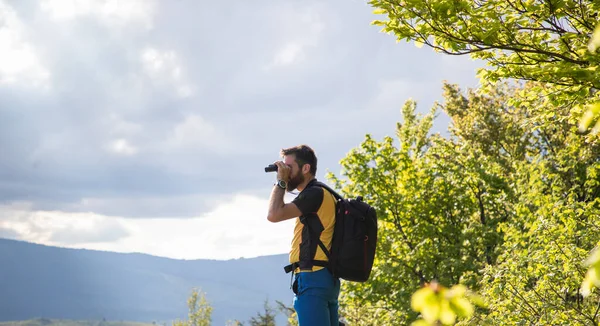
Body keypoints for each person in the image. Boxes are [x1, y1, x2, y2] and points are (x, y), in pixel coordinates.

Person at [266, 144, 341, 326]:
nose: (285, 171)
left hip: (313, 278)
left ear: (306, 168)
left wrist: (280, 182)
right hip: (325, 277)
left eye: (289, 167)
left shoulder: (314, 194)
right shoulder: (323, 193)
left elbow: (274, 214)